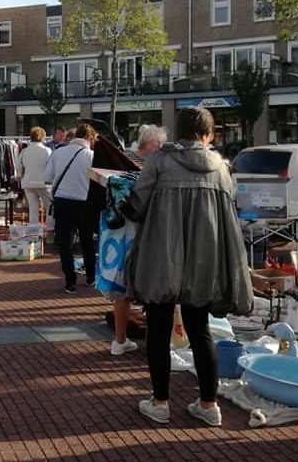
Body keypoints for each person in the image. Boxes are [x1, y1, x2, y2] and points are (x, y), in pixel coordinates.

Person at [122, 107, 253, 427]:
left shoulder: (159, 162)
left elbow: (136, 206)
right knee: (200, 331)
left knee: (159, 330)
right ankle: (209, 405)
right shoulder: (221, 169)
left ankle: (160, 402)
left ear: (177, 132)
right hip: (203, 262)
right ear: (208, 135)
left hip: (161, 258)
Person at [109, 124, 167, 357]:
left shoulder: (120, 159)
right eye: (159, 144)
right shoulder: (148, 166)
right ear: (151, 144)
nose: (161, 148)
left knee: (122, 288)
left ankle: (120, 340)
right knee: (149, 285)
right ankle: (154, 342)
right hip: (141, 231)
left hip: (119, 232)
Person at [45, 123, 97, 293]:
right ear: (89, 138)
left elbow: (48, 176)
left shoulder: (59, 152)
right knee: (87, 241)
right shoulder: (92, 156)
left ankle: (70, 281)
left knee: (65, 245)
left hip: (62, 202)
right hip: (85, 203)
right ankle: (91, 276)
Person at [19, 127, 52, 225]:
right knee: (50, 207)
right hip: (43, 183)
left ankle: (33, 232)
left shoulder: (24, 151)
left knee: (33, 209)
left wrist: (20, 177)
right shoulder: (47, 150)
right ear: (42, 137)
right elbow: (51, 168)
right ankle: (50, 230)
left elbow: (19, 167)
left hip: (28, 182)